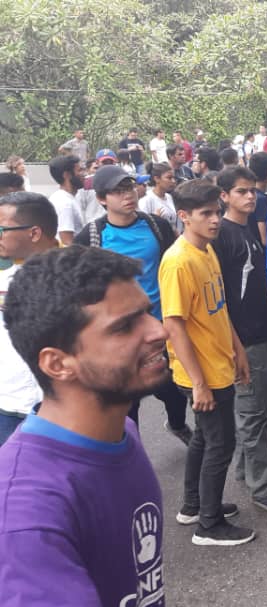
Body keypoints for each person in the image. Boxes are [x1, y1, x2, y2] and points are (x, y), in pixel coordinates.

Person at [0, 246, 169, 605]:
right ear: (58, 364)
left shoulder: (122, 432)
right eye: (125, 325)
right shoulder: (26, 518)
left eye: (148, 313)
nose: (159, 331)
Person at [159, 179, 253, 546]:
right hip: (201, 373)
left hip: (219, 362)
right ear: (184, 216)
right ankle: (209, 526)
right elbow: (174, 325)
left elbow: (218, 308)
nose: (215, 220)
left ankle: (194, 505)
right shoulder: (179, 261)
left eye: (216, 212)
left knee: (203, 436)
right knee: (221, 444)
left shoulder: (207, 250)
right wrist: (198, 382)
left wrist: (238, 349)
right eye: (206, 214)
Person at [72, 164, 192, 439]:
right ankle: (132, 451)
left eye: (129, 188)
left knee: (174, 388)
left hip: (161, 325)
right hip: (121, 333)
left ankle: (176, 424)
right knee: (128, 401)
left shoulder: (155, 225)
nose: (128, 195)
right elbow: (79, 288)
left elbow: (171, 266)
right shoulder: (91, 237)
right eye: (118, 191)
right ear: (102, 199)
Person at [215, 166, 267, 514]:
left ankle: (249, 469)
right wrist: (234, 345)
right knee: (251, 413)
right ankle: (262, 486)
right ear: (224, 196)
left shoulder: (246, 227)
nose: (250, 196)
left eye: (252, 190)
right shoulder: (222, 235)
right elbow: (219, 299)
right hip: (243, 339)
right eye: (241, 191)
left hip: (261, 332)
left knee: (259, 408)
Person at [0, 192, 57, 445]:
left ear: (34, 233)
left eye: (2, 229)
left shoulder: (80, 277)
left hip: (59, 409)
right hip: (7, 408)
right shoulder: (4, 279)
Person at [47, 154, 86, 245]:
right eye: (80, 170)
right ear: (67, 175)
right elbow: (67, 242)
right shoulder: (64, 203)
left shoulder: (69, 198)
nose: (84, 174)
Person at [139, 163, 181, 235]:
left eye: (173, 178)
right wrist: (154, 219)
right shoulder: (146, 200)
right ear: (157, 179)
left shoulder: (169, 197)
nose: (173, 181)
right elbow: (142, 226)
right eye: (169, 178)